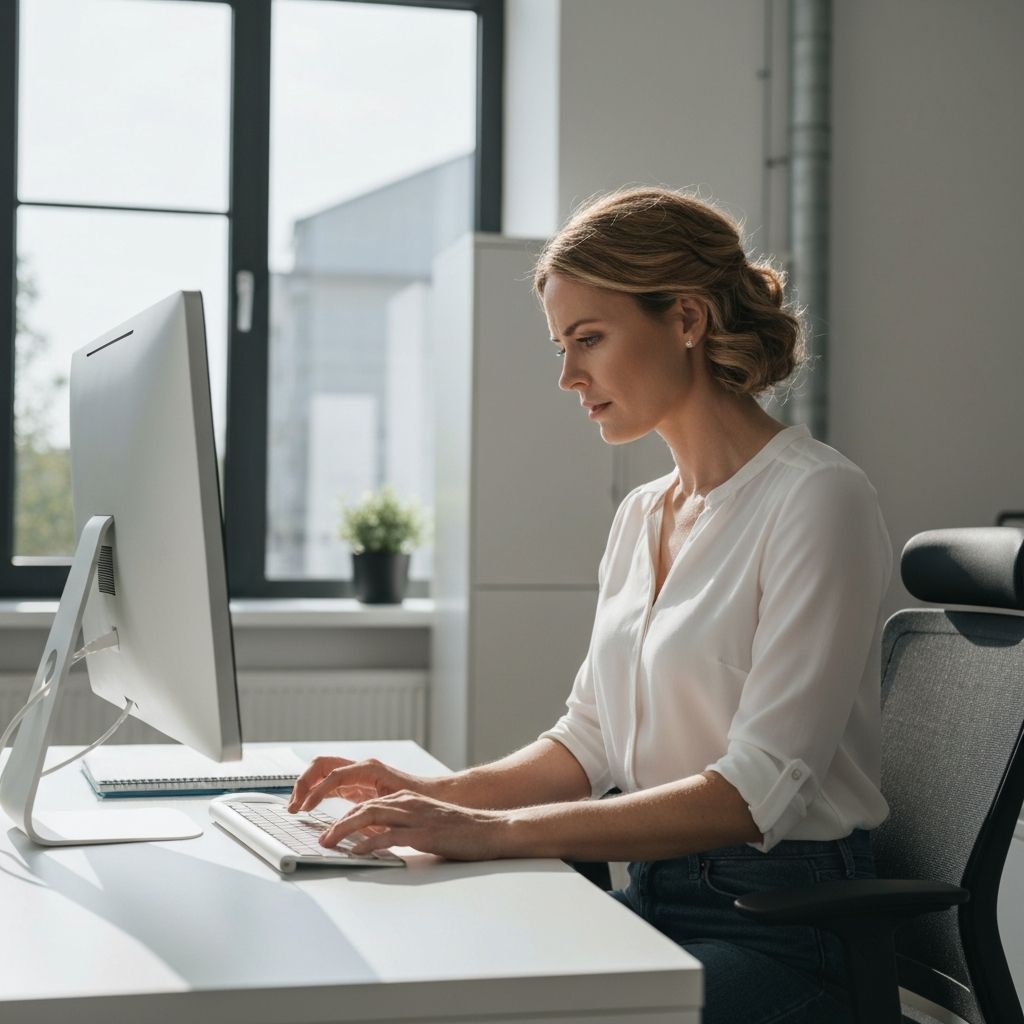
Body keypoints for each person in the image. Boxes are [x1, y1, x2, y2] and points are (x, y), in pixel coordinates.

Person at [289, 187, 893, 1024]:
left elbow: (753, 793)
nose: (570, 376)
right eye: (562, 346)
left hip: (783, 931)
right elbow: (591, 741)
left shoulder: (818, 498)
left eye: (589, 339)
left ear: (686, 317)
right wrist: (439, 792)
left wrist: (493, 831)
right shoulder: (643, 512)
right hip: (650, 899)